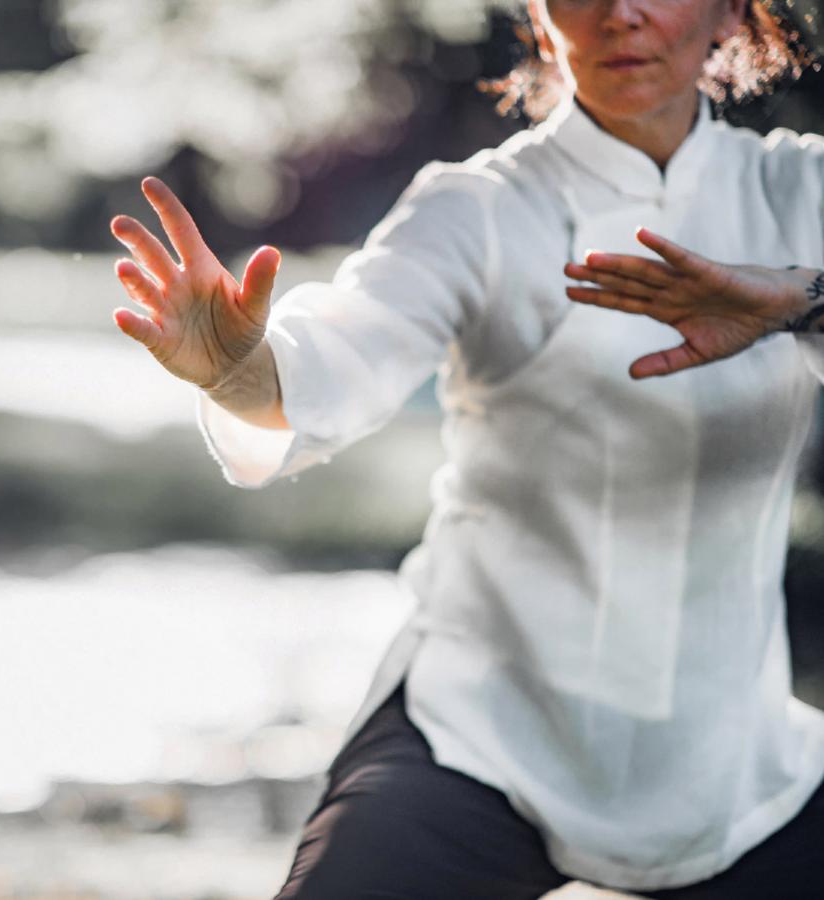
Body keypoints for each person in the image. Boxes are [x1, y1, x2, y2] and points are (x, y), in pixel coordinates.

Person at [108, 0, 824, 896]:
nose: (622, 13)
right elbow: (340, 354)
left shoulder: (801, 192)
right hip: (477, 730)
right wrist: (238, 369)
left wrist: (802, 302)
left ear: (729, 12)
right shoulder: (476, 207)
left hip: (735, 764)